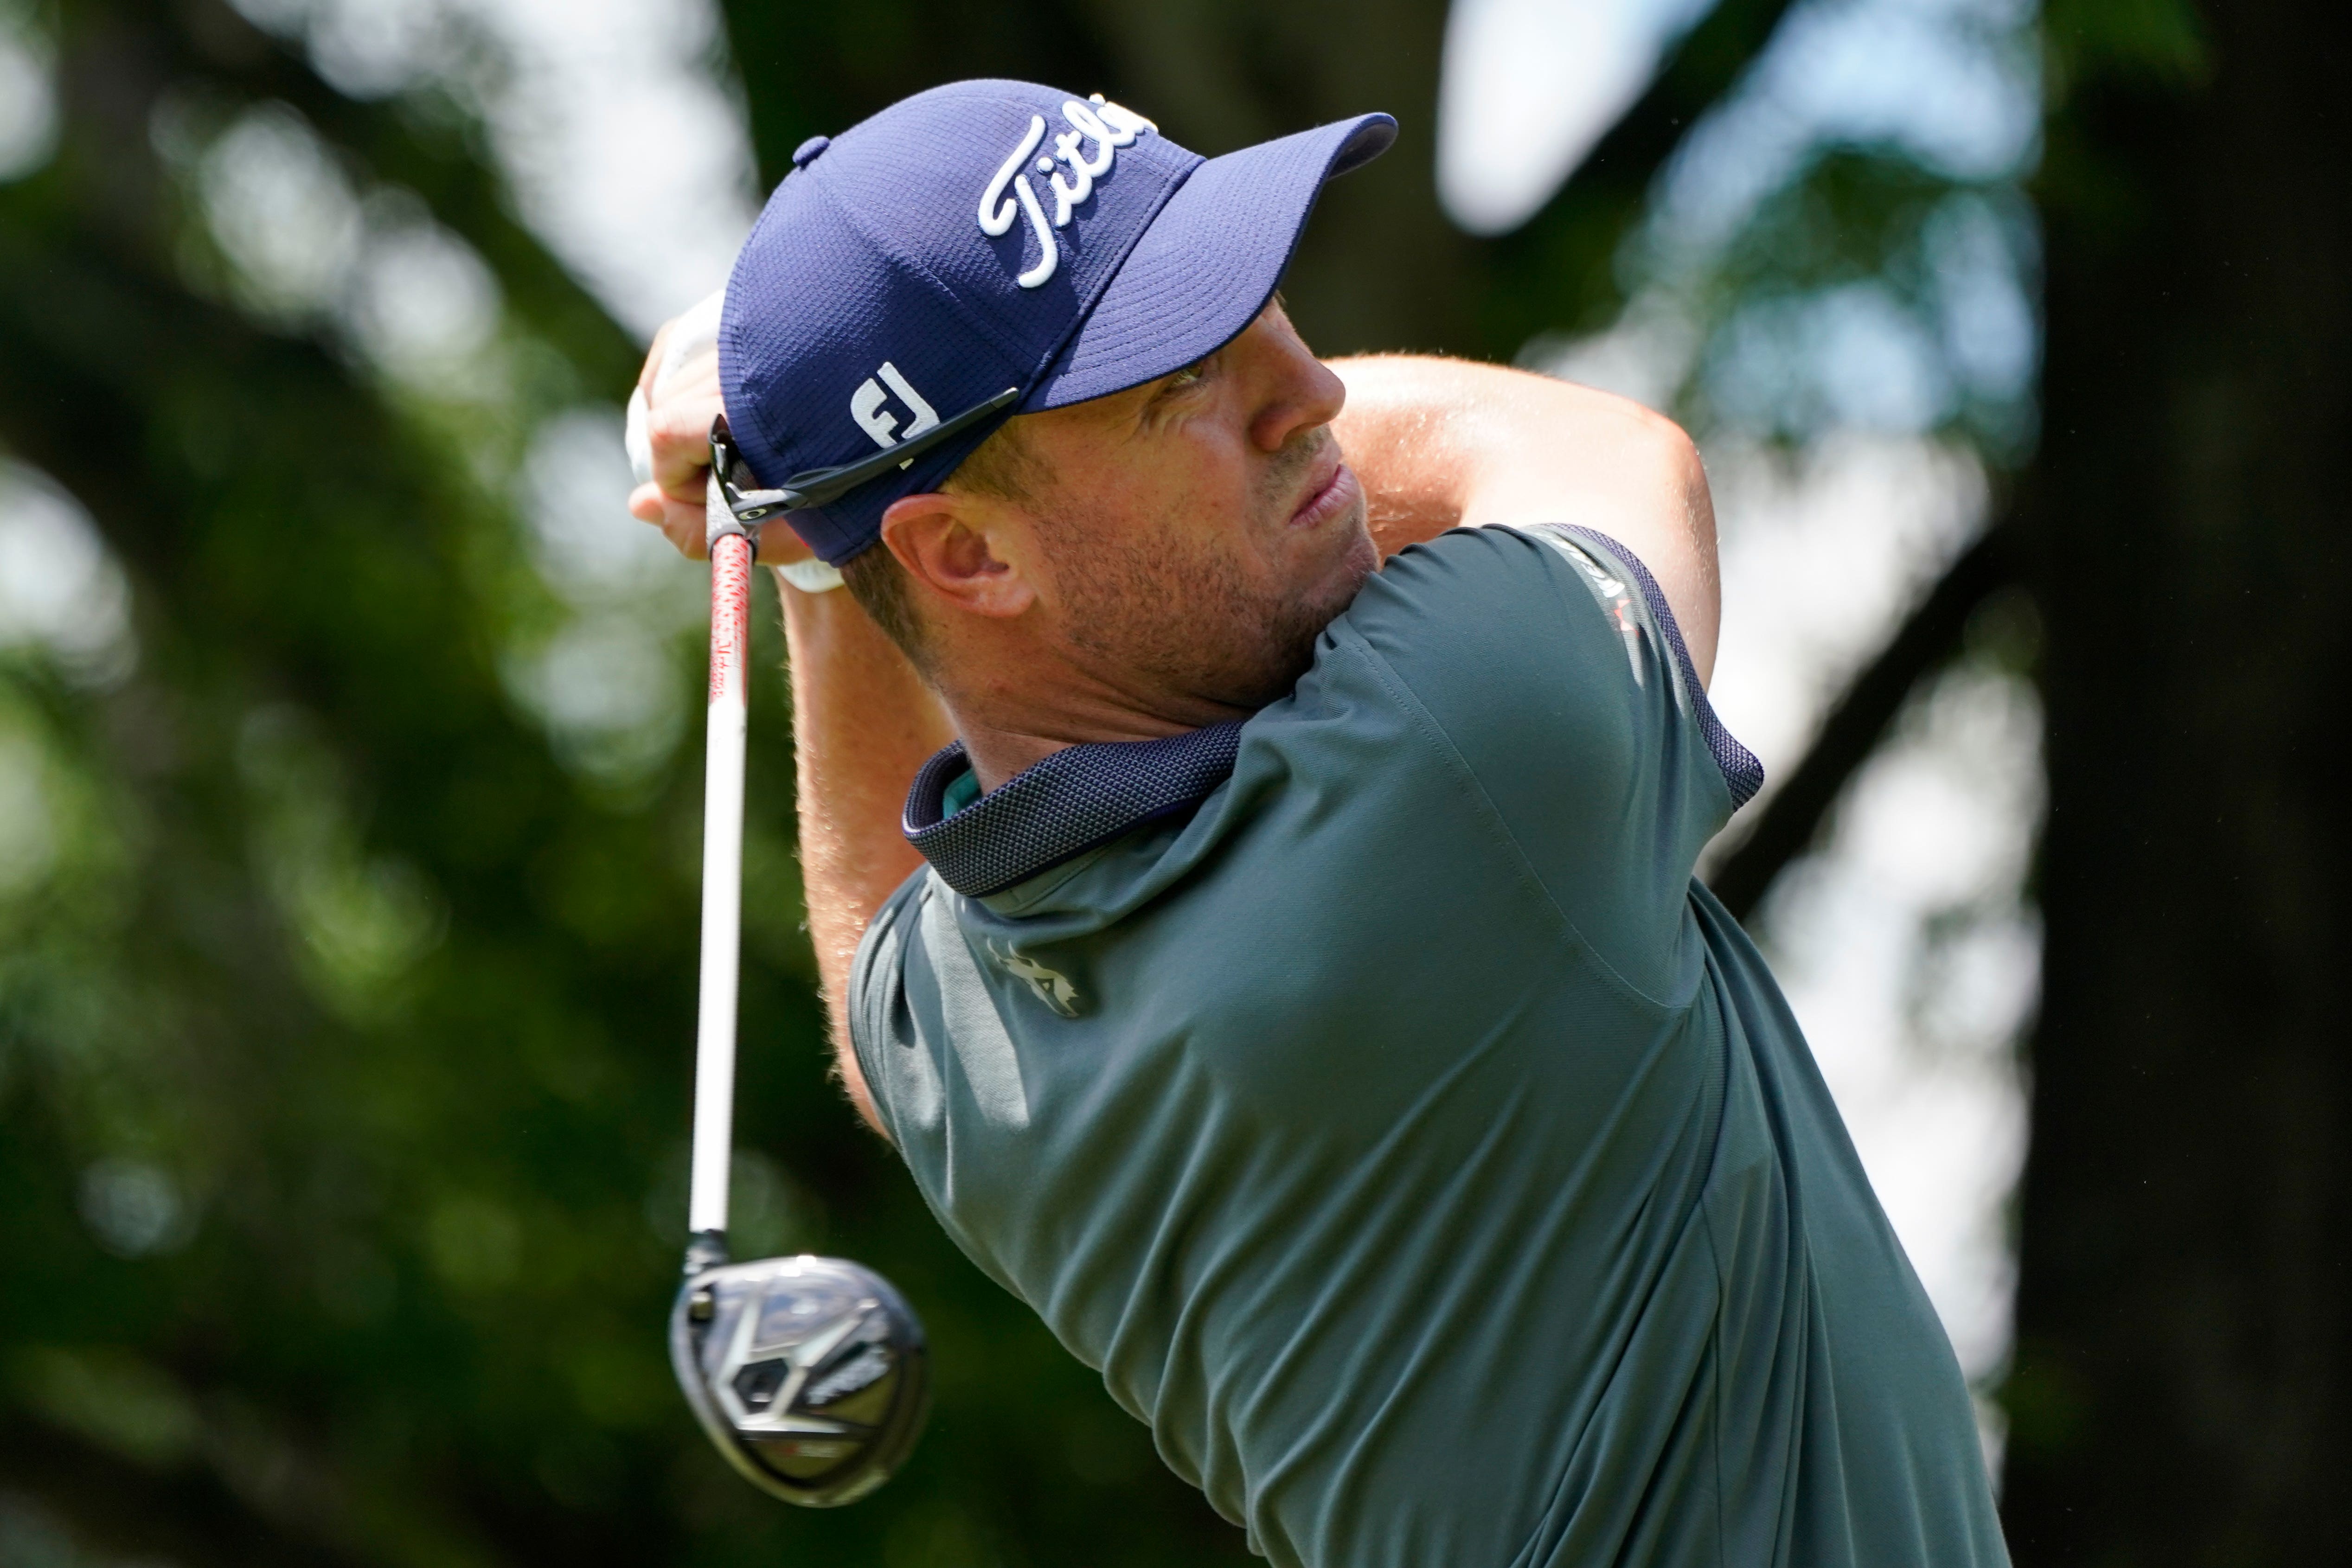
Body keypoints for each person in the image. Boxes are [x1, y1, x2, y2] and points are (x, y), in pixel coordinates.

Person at [630, 78, 2007, 1568]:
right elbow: (1608, 455)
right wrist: (827, 508)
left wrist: (820, 555)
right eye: (1183, 380)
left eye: (1259, 308)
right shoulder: (1468, 750)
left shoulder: (967, 1039)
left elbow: (870, 996)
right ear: (967, 552)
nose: (1314, 393)